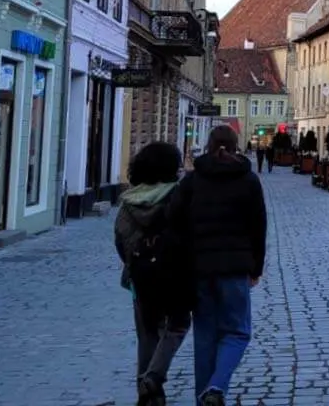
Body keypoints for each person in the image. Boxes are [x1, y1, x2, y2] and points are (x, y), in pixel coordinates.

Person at [169, 125, 267, 406]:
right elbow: (258, 227)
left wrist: (183, 262)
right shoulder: (248, 180)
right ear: (236, 146)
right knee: (237, 332)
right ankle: (216, 386)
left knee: (205, 337)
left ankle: (204, 399)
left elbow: (174, 224)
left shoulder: (192, 180)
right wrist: (256, 267)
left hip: (199, 269)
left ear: (208, 145)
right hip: (235, 269)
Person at [114, 142, 190, 406]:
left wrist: (135, 265)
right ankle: (153, 378)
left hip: (140, 277)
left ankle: (148, 396)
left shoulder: (128, 202)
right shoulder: (178, 197)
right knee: (179, 325)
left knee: (147, 333)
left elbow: (120, 240)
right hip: (174, 275)